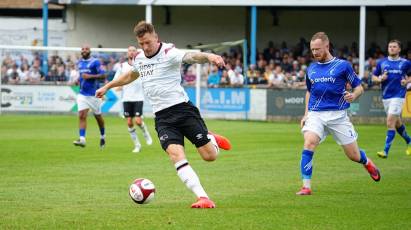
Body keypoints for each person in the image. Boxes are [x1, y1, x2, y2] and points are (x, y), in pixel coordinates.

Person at [96, 21, 231, 208]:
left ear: (156, 37)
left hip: (183, 110)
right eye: (141, 43)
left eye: (148, 43)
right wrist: (107, 86)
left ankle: (211, 139)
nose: (145, 47)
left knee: (209, 156)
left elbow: (192, 56)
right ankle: (203, 197)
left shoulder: (169, 53)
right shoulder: (140, 58)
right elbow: (130, 75)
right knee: (176, 155)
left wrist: (210, 56)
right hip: (163, 118)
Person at [297, 32, 381, 195]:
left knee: (353, 155)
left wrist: (353, 95)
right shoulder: (311, 68)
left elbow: (359, 87)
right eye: (312, 50)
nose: (314, 53)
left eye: (318, 49)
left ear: (327, 46)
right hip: (316, 114)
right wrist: (306, 114)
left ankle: (367, 162)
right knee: (309, 142)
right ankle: (306, 186)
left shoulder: (343, 66)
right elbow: (309, 92)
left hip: (338, 116)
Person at [372, 40, 411, 158]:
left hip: (398, 96)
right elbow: (373, 77)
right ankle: (409, 141)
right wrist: (380, 79)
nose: (392, 48)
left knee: (390, 121)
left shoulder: (406, 63)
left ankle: (385, 151)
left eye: (394, 47)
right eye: (390, 46)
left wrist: (407, 81)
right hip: (386, 97)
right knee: (397, 122)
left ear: (399, 49)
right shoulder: (382, 62)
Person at [113, 45, 153, 153]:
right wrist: (118, 86)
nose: (131, 52)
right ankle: (137, 145)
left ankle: (145, 133)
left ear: (137, 53)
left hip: (138, 97)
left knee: (138, 120)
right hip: (126, 99)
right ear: (127, 53)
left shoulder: (141, 65)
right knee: (129, 122)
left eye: (133, 50)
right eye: (129, 51)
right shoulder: (122, 66)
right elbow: (116, 80)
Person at [73, 44, 107, 148]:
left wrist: (90, 76)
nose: (84, 50)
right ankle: (82, 139)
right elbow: (82, 76)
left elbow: (103, 75)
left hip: (94, 94)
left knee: (98, 117)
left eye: (86, 49)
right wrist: (78, 80)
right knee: (82, 115)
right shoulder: (79, 63)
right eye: (82, 49)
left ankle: (102, 136)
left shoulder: (95, 62)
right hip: (82, 94)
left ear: (90, 51)